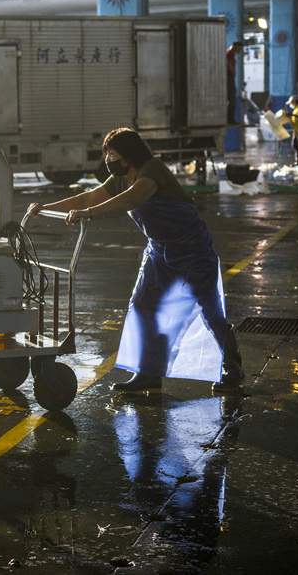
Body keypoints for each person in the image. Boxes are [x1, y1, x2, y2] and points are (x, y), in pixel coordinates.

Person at [28, 128, 243, 393]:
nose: (107, 159)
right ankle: (148, 373)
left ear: (129, 155)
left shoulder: (152, 170)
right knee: (143, 308)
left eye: (112, 154)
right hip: (159, 251)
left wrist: (88, 213)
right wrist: (46, 209)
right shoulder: (120, 179)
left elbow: (132, 199)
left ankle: (232, 367)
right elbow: (87, 197)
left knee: (210, 309)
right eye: (105, 153)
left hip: (192, 248)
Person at [225, 41, 244, 125]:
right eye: (239, 48)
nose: (239, 51)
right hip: (228, 81)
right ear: (234, 47)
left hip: (229, 80)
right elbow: (228, 64)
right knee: (232, 100)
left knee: (231, 100)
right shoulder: (229, 55)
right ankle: (230, 119)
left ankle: (229, 119)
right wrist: (233, 72)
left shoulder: (230, 55)